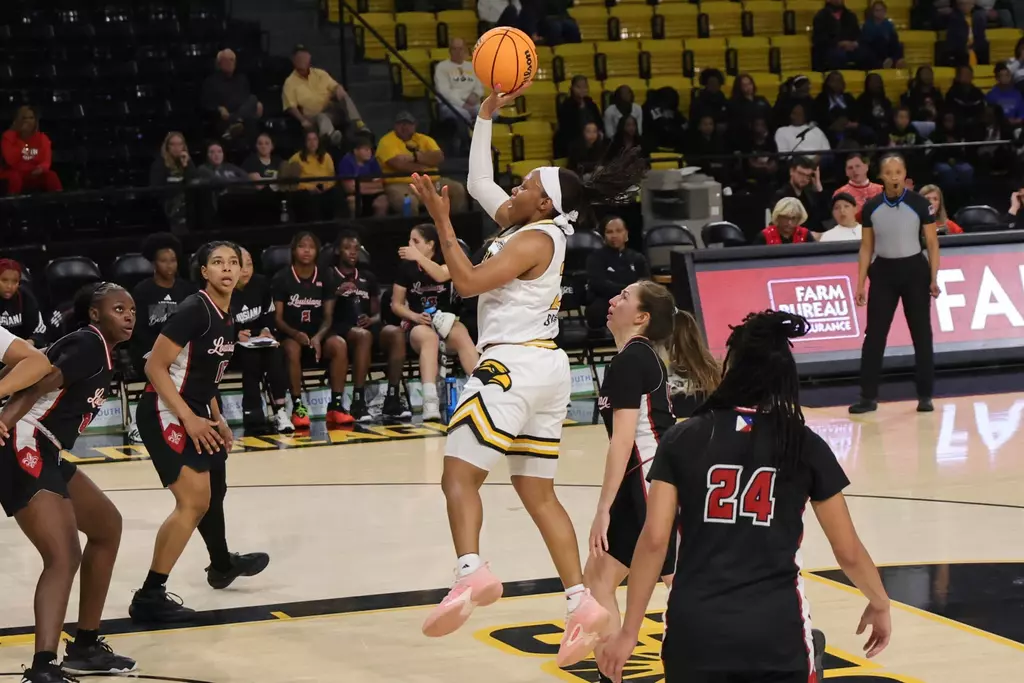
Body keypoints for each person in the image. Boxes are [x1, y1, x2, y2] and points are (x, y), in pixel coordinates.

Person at [409, 82, 647, 666]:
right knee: (536, 491)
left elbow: (464, 283)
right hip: (544, 369)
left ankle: (471, 572)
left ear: (543, 204)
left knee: (459, 478)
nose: (512, 190)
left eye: (526, 186)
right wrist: (485, 117)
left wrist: (441, 221)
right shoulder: (534, 224)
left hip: (511, 366)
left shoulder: (534, 237)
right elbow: (481, 182)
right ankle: (580, 602)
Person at [597, 309, 892, 683]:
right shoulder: (802, 444)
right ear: (784, 376)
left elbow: (654, 542)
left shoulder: (683, 438)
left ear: (730, 369)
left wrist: (629, 633)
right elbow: (847, 549)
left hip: (696, 631)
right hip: (775, 630)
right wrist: (880, 603)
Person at [0, 284, 138, 681]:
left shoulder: (101, 350)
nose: (129, 315)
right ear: (95, 315)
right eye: (118, 308)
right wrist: (5, 421)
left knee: (107, 527)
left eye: (131, 309)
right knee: (62, 556)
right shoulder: (88, 344)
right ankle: (43, 668)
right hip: (24, 440)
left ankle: (85, 645)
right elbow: (38, 380)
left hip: (50, 448)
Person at [585, 281, 720, 683]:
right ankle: (612, 673)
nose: (612, 301)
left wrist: (602, 510)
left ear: (642, 317)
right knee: (598, 578)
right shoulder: (632, 357)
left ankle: (734, 658)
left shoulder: (632, 359)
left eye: (624, 297)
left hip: (650, 478)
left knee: (675, 582)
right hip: (642, 477)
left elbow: (623, 443)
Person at [128, 242, 269, 624]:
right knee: (193, 501)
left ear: (243, 270)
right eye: (218, 263)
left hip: (195, 410)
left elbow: (206, 376)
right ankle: (149, 595)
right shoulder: (194, 309)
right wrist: (190, 418)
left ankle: (221, 564)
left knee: (215, 489)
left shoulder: (227, 314)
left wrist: (216, 416)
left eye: (234, 262)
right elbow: (155, 368)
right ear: (204, 272)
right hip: (164, 410)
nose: (227, 268)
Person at [851, 154, 939, 414]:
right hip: (884, 273)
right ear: (881, 176)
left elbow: (932, 243)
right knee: (874, 336)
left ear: (904, 173)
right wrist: (860, 283)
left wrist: (934, 277)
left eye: (898, 172)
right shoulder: (871, 207)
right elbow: (866, 247)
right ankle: (868, 397)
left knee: (921, 334)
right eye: (888, 173)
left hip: (915, 271)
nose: (894, 177)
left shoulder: (920, 204)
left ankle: (925, 395)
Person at [391, 223, 479, 421]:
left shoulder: (445, 261)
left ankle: (481, 392)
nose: (410, 245)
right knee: (428, 338)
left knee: (461, 333)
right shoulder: (405, 268)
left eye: (416, 241)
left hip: (444, 321)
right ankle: (430, 401)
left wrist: (419, 257)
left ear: (430, 245)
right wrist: (414, 316)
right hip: (417, 324)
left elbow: (441, 275)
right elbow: (396, 305)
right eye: (409, 240)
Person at [272, 231, 351, 428]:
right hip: (291, 334)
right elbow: (278, 319)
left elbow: (328, 317)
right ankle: (298, 406)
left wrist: (318, 337)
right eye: (302, 246)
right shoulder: (282, 277)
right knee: (292, 348)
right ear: (293, 250)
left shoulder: (326, 275)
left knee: (339, 345)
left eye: (311, 247)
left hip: (319, 335)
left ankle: (337, 405)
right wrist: (296, 334)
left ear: (317, 252)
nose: (306, 250)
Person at [332, 231, 412, 421]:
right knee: (363, 336)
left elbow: (377, 314)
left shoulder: (368, 277)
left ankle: (392, 399)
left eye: (356, 249)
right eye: (347, 248)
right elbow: (323, 310)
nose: (352, 253)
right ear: (337, 251)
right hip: (341, 328)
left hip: (367, 328)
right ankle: (358, 402)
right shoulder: (329, 275)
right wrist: (337, 293)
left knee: (396, 333)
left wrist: (372, 319)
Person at [129, 233, 197, 442]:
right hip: (149, 350)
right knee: (159, 368)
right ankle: (137, 423)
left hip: (180, 350)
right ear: (154, 263)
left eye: (173, 260)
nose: (169, 266)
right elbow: (136, 329)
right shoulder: (142, 291)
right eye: (163, 261)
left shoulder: (187, 290)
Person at [232, 248, 293, 433]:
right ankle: (252, 411)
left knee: (276, 352)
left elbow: (269, 313)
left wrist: (267, 330)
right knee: (251, 358)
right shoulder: (223, 289)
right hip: (232, 344)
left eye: (249, 264)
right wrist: (234, 334)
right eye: (240, 265)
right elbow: (218, 320)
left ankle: (280, 410)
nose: (246, 270)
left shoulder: (261, 284)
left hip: (257, 338)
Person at [376, 111, 468, 214]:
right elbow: (398, 164)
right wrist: (426, 162)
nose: (405, 127)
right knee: (409, 202)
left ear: (415, 125)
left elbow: (439, 157)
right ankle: (414, 228)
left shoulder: (424, 139)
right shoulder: (386, 141)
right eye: (401, 124)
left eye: (409, 124)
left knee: (457, 189)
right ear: (395, 126)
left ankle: (451, 225)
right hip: (401, 184)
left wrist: (414, 157)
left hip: (432, 182)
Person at [282, 44, 366, 147]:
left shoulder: (320, 74)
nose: (302, 60)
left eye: (304, 56)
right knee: (321, 117)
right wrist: (302, 120)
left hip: (331, 110)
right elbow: (290, 106)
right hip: (312, 116)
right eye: (299, 57)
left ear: (309, 58)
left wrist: (338, 89)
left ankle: (358, 124)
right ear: (294, 60)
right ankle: (331, 136)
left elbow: (334, 86)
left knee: (344, 96)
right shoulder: (290, 82)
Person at [584, 217, 649, 330]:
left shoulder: (638, 258)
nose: (614, 235)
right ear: (603, 236)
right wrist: (626, 292)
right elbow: (598, 283)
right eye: (609, 232)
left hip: (632, 300)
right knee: (595, 311)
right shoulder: (595, 258)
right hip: (606, 300)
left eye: (619, 231)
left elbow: (645, 282)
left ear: (626, 234)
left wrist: (629, 295)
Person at [200, 48, 263, 142]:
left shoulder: (242, 79)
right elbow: (205, 105)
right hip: (224, 117)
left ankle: (235, 121)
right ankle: (234, 123)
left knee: (253, 100)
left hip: (241, 115)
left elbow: (247, 100)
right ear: (219, 63)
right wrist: (219, 108)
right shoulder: (211, 82)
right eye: (227, 60)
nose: (231, 62)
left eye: (232, 60)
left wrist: (257, 105)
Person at [0, 106, 62, 196]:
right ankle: (12, 205)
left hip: (34, 173)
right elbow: (11, 160)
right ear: (17, 120)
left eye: (31, 118)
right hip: (14, 172)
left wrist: (41, 168)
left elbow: (46, 160)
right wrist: (21, 141)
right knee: (14, 177)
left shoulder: (42, 138)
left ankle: (60, 204)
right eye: (24, 118)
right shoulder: (8, 137)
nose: (27, 121)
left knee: (51, 176)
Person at [149, 131, 197, 233]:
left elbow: (193, 183)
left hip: (187, 204)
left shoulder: (187, 162)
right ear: (167, 147)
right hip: (169, 204)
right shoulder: (160, 164)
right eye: (173, 144)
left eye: (180, 144)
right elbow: (157, 189)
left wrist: (186, 165)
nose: (176, 147)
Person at [287, 130, 337, 222]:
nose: (312, 143)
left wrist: (324, 187)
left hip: (324, 190)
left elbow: (332, 178)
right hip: (305, 192)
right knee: (309, 200)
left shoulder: (326, 157)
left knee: (335, 195)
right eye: (309, 140)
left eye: (315, 139)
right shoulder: (296, 158)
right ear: (305, 143)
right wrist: (310, 188)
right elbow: (291, 183)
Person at [337, 134, 388, 217]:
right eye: (366, 150)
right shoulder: (346, 162)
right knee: (353, 202)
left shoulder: (373, 161)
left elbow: (380, 185)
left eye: (370, 150)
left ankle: (378, 228)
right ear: (356, 151)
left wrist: (358, 186)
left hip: (370, 193)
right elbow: (349, 188)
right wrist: (371, 186)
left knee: (382, 202)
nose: (369, 152)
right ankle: (353, 227)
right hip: (353, 195)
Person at [0, 258, 47, 346]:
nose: (10, 286)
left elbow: (39, 329)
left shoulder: (25, 296)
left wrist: (30, 342)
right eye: (4, 280)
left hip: (23, 350)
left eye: (15, 281)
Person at [812, 0, 869, 70]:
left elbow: (858, 34)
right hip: (829, 49)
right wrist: (839, 44)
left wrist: (855, 43)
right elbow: (819, 39)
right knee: (838, 55)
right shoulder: (821, 17)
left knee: (866, 53)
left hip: (850, 48)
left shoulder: (850, 15)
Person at [556, 75, 603, 157]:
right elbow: (566, 128)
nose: (582, 90)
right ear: (572, 88)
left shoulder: (591, 104)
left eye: (585, 87)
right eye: (578, 87)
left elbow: (599, 122)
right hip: (574, 140)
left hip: (593, 138)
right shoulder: (566, 105)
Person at [834, 153, 882, 219]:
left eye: (858, 166)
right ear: (846, 172)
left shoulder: (881, 190)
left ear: (866, 167)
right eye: (850, 168)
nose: (854, 170)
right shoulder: (840, 194)